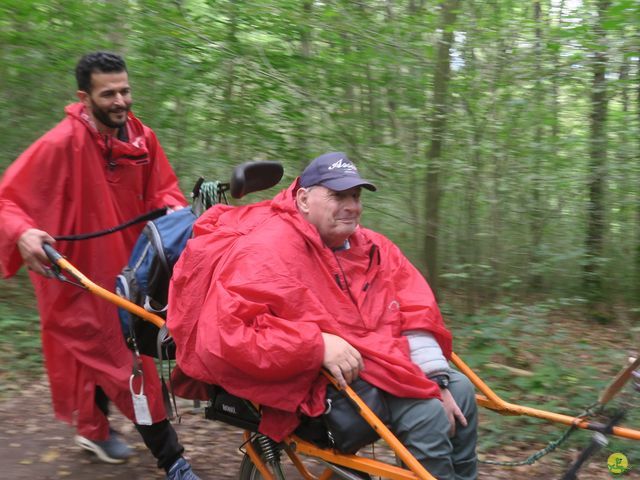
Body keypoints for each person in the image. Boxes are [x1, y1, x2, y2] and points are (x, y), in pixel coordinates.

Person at [168, 152, 478, 479]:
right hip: (316, 385)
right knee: (427, 413)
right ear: (304, 199)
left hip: (377, 363)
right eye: (337, 195)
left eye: (355, 196)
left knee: (461, 393)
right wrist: (315, 345)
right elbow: (227, 334)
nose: (351, 206)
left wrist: (434, 377)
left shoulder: (375, 247)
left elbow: (415, 305)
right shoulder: (267, 250)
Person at [0, 52, 200, 480]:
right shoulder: (60, 143)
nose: (120, 100)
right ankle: (173, 461)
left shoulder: (143, 137)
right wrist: (22, 233)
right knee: (123, 362)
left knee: (120, 354)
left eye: (125, 90)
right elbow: (7, 200)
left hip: (132, 271)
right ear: (84, 97)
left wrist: (173, 214)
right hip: (74, 276)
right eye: (108, 93)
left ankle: (93, 429)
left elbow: (164, 190)